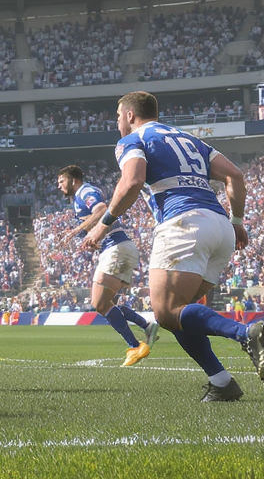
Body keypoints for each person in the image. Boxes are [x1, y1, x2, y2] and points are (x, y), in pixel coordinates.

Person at [82, 92, 264, 401]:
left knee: (166, 312)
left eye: (116, 117)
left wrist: (104, 223)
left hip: (183, 223)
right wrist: (236, 220)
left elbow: (133, 181)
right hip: (219, 226)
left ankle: (247, 334)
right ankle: (221, 382)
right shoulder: (188, 139)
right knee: (180, 313)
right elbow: (234, 175)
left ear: (129, 115)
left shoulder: (132, 140)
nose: (117, 123)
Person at [56, 164, 159, 366]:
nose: (59, 186)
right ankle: (146, 326)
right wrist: (93, 241)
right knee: (107, 302)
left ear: (73, 180)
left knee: (99, 303)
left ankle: (135, 345)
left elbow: (102, 209)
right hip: (116, 247)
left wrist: (76, 230)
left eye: (61, 181)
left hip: (117, 246)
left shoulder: (85, 191)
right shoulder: (78, 198)